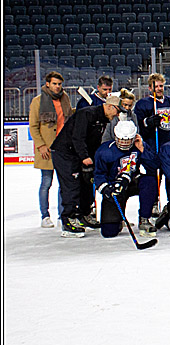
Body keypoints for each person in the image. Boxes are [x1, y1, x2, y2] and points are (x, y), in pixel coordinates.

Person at [50, 95, 123, 236]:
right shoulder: (87, 114)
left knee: (87, 183)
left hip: (79, 154)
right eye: (117, 111)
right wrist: (84, 156)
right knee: (72, 185)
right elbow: (78, 137)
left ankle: (84, 214)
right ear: (109, 106)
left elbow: (94, 142)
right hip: (65, 153)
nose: (117, 115)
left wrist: (94, 158)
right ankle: (68, 219)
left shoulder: (104, 119)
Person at [134, 73, 170, 232]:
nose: (159, 89)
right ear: (150, 88)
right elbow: (139, 126)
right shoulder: (143, 104)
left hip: (168, 146)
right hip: (152, 146)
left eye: (161, 86)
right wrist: (148, 122)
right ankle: (153, 203)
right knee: (153, 176)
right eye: (156, 86)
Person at [29, 71, 72, 228]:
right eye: (54, 83)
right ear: (47, 84)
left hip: (63, 148)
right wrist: (41, 145)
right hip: (46, 149)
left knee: (64, 184)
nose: (57, 87)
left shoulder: (65, 98)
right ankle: (45, 215)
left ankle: (63, 214)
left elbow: (68, 117)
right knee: (46, 183)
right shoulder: (38, 101)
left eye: (59, 84)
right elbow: (33, 126)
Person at [93, 120, 148, 238]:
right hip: (115, 187)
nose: (124, 143)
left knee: (149, 181)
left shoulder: (139, 146)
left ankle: (145, 218)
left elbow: (154, 165)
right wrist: (106, 189)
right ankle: (117, 220)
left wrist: (143, 150)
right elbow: (98, 175)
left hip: (133, 182)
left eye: (127, 140)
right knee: (109, 232)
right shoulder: (104, 151)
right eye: (121, 140)